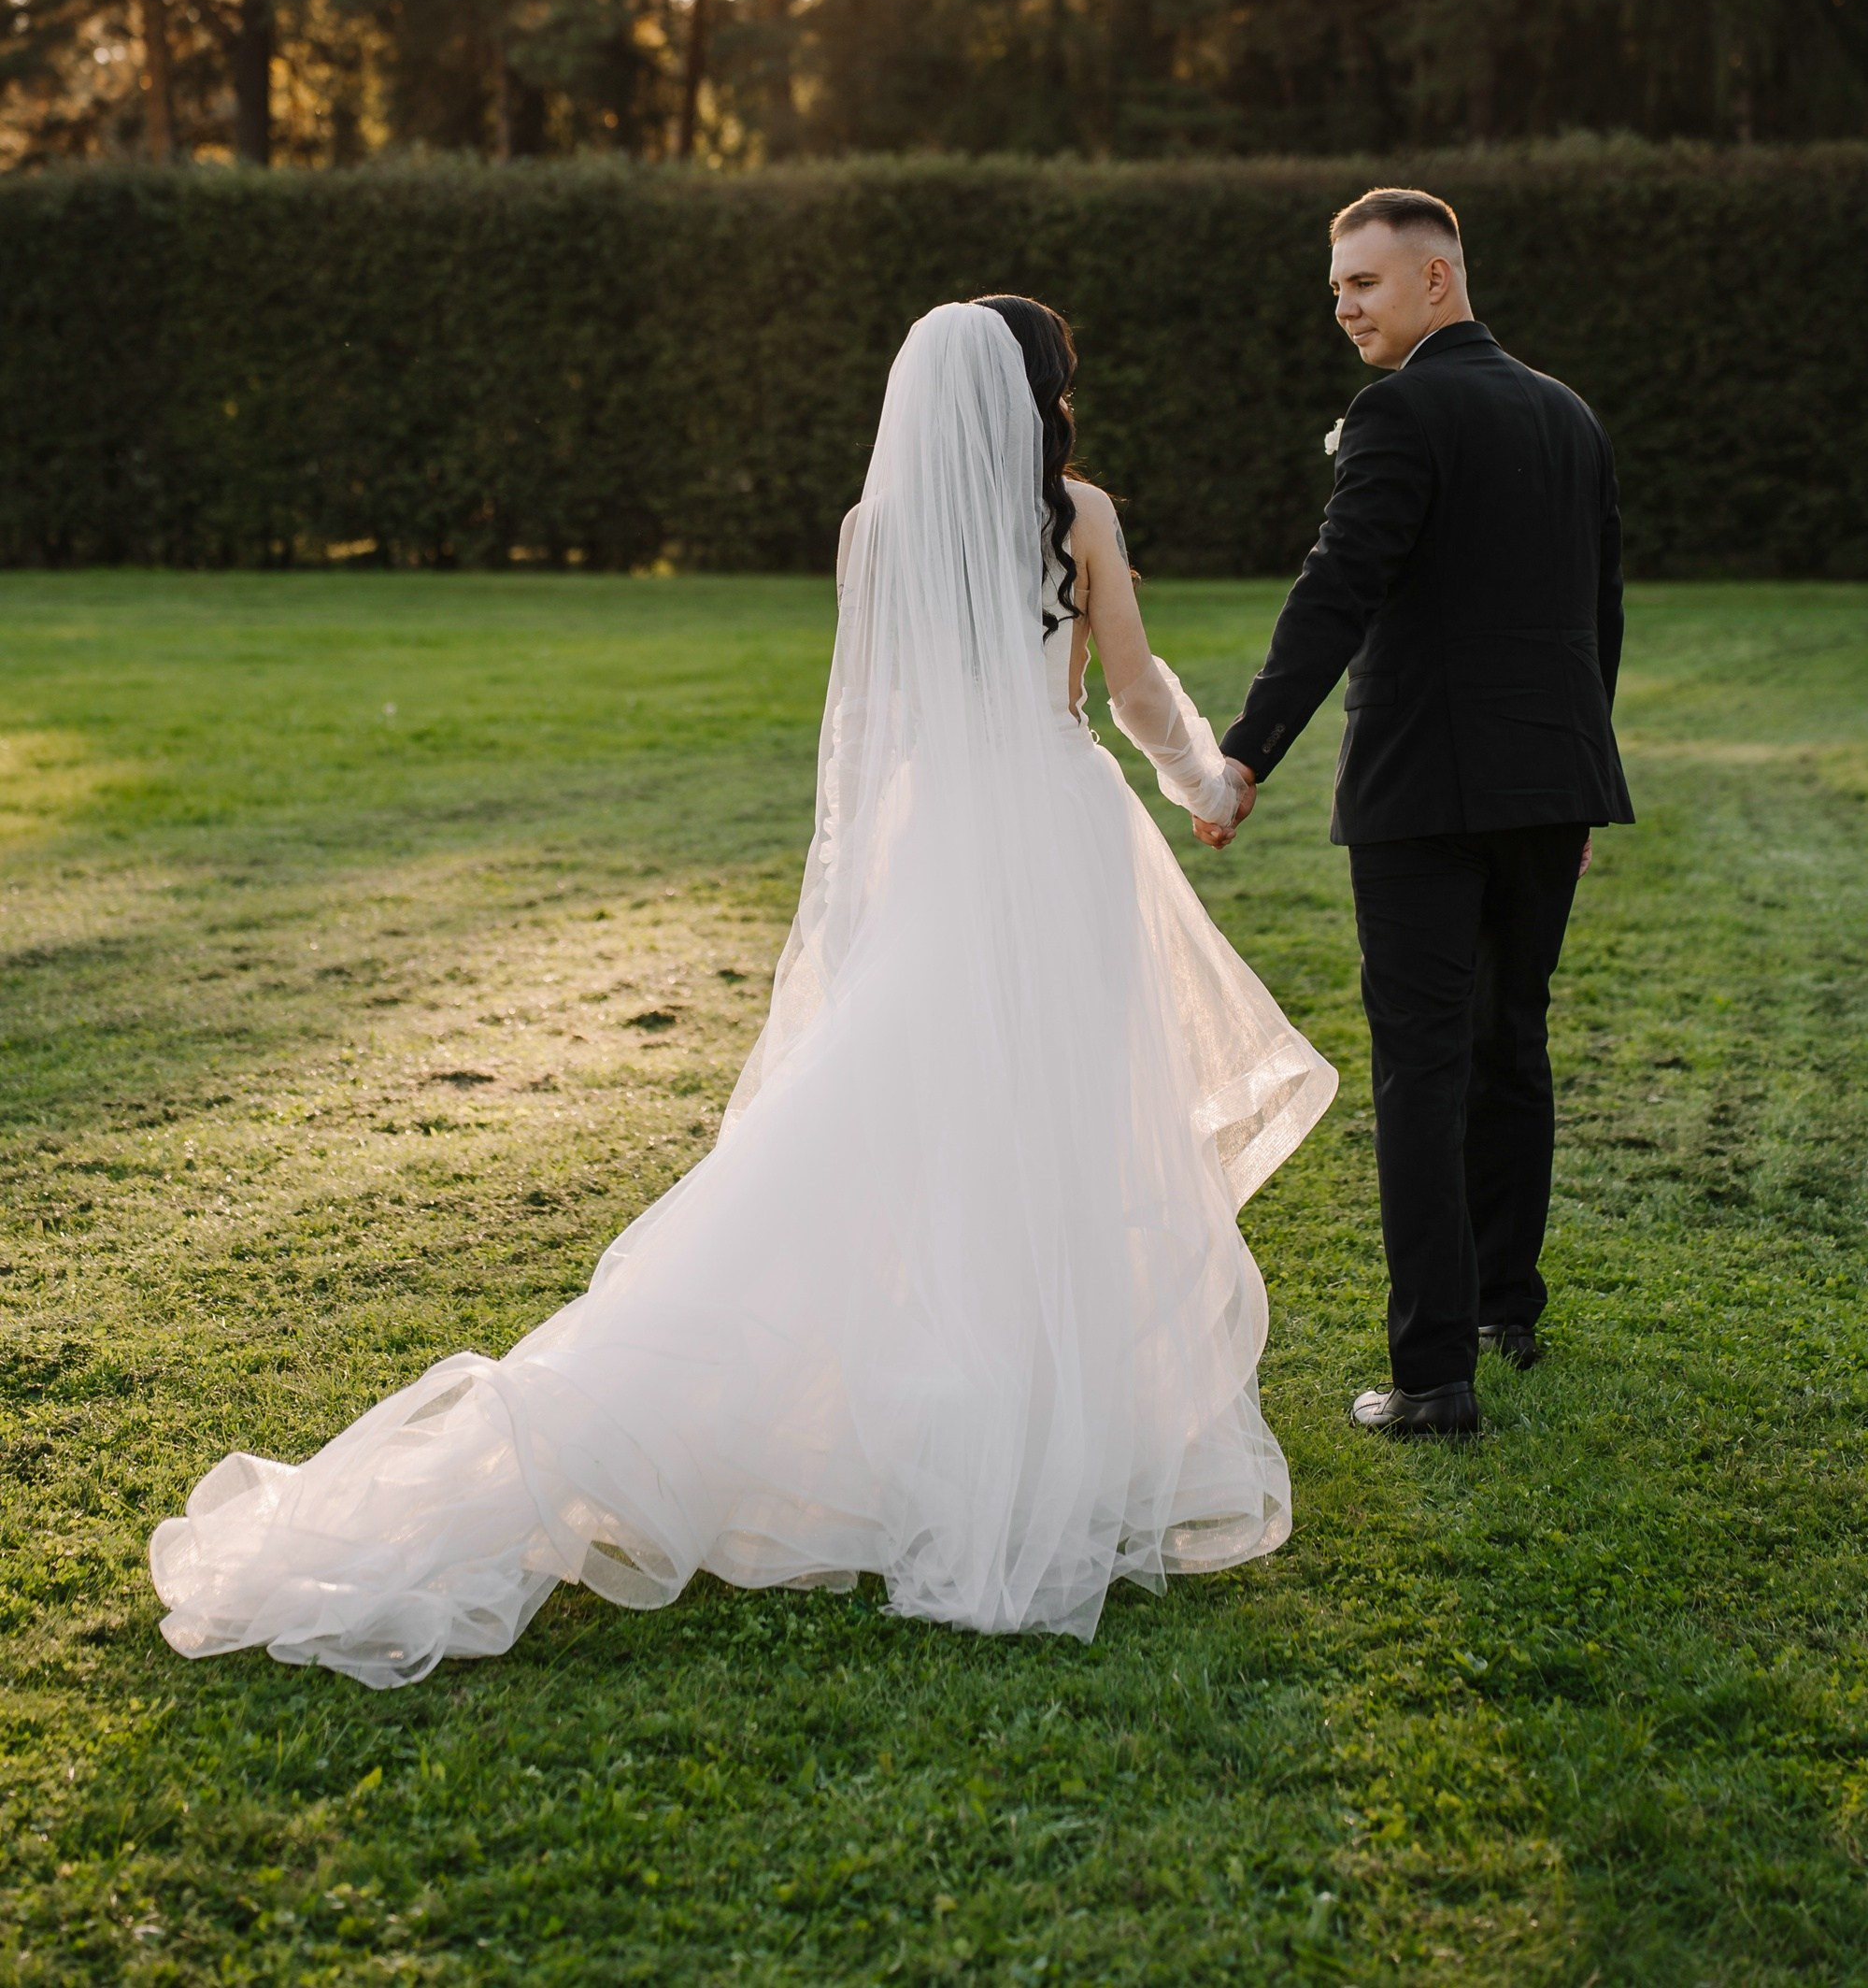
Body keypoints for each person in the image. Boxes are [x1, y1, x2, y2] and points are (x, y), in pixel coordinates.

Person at [150, 298, 1334, 1682]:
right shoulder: (1079, 515)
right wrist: (1206, 778)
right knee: (1056, 1124)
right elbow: (1129, 689)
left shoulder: (873, 530)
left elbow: (872, 734)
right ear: (1037, 394)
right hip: (1056, 843)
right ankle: (1034, 1425)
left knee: (915, 1125)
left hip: (945, 847)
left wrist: (888, 885)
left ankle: (949, 1409)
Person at [1202, 191, 1633, 1440]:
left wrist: (1248, 752)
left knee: (1425, 1065)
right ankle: (1506, 1308)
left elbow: (1340, 585)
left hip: (1423, 796)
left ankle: (1434, 1376)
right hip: (1549, 786)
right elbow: (1599, 613)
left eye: (1365, 284)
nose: (1342, 306)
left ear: (1439, 280)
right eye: (1336, 286)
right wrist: (1579, 770)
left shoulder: (1401, 408)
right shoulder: (1571, 414)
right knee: (1512, 1041)